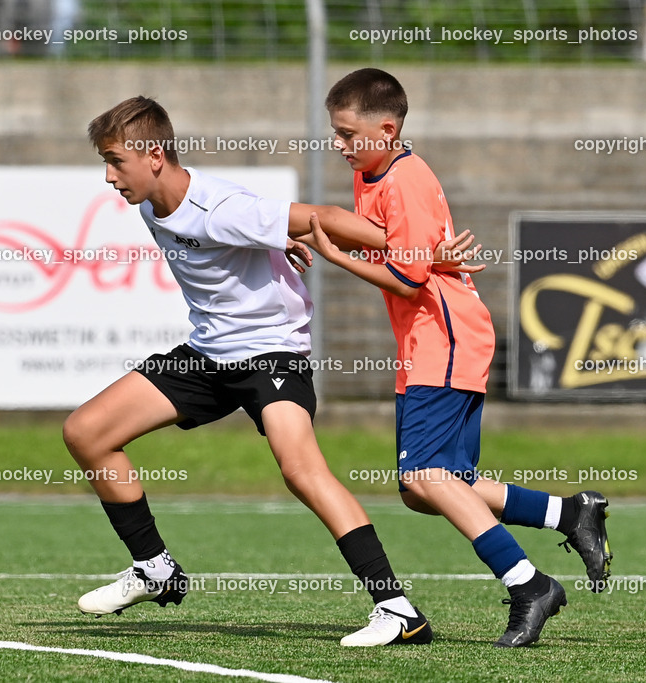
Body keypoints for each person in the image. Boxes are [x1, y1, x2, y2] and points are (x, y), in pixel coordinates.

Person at [64, 95, 478, 647]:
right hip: (208, 354)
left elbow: (327, 218)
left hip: (271, 354)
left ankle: (397, 608)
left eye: (116, 161)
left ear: (154, 155)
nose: (109, 176)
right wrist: (276, 238)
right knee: (86, 432)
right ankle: (154, 568)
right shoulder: (150, 206)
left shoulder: (220, 207)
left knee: (301, 470)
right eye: (106, 162)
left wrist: (417, 251)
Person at [295, 67, 612, 648]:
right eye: (335, 133)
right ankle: (569, 515)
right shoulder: (373, 172)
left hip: (442, 337)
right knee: (428, 488)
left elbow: (407, 279)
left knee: (425, 476)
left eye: (347, 134)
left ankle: (529, 584)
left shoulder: (404, 180)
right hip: (433, 340)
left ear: (387, 130)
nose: (337, 144)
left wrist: (333, 255)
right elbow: (391, 244)